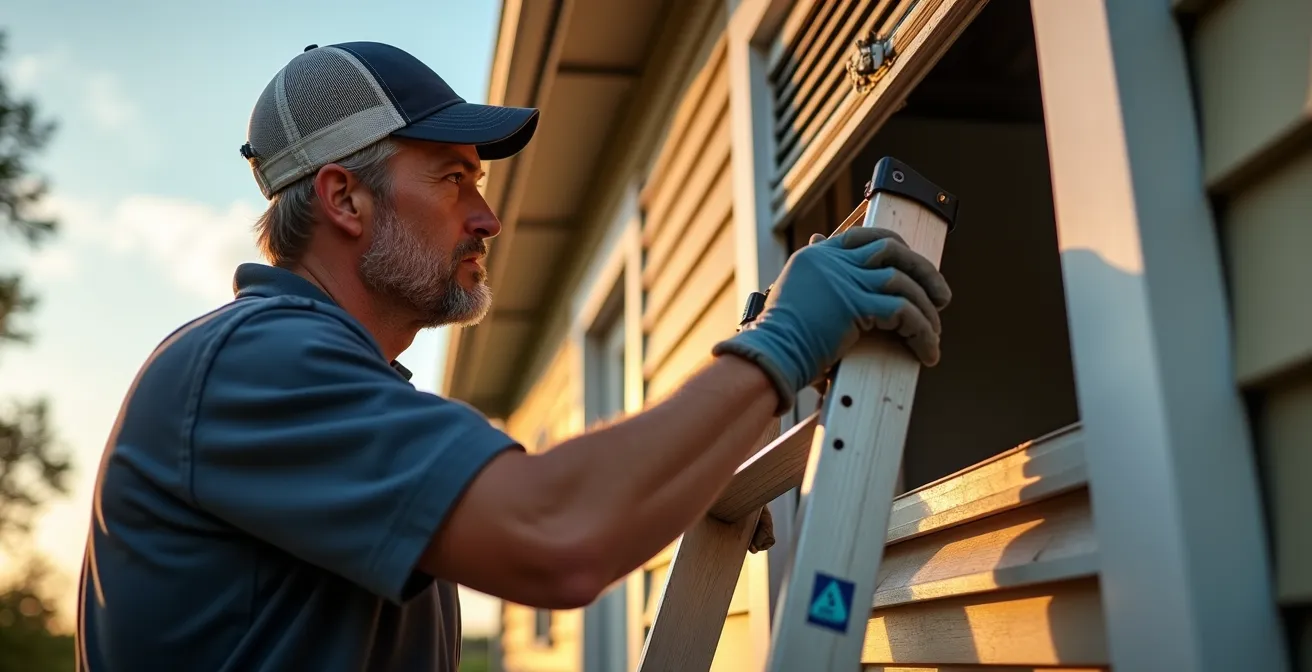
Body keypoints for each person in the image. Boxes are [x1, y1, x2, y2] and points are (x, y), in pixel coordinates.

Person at [75, 41, 951, 671]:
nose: (487, 219)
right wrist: (779, 345)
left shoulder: (323, 380)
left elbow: (552, 519)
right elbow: (556, 533)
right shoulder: (253, 366)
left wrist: (710, 444)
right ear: (345, 198)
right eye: (453, 179)